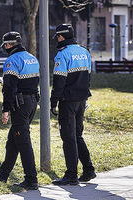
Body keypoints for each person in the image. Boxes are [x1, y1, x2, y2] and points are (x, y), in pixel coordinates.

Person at [0, 31, 40, 190]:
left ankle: (31, 180)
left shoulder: (11, 60)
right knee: (13, 141)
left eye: (5, 45)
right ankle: (2, 176)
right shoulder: (32, 58)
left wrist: (5, 110)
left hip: (20, 105)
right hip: (31, 103)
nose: (4, 48)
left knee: (23, 143)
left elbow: (9, 88)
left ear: (9, 45)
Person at [50, 24, 96, 185]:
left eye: (57, 37)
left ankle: (71, 175)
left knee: (68, 138)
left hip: (67, 101)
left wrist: (53, 101)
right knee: (77, 135)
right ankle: (89, 170)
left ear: (61, 37)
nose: (57, 39)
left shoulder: (62, 55)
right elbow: (88, 77)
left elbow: (59, 82)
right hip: (82, 100)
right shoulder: (84, 52)